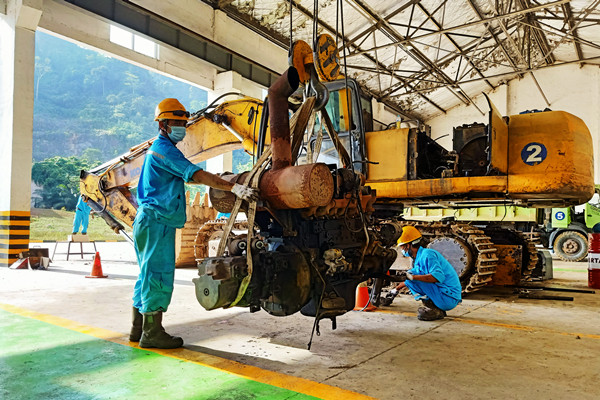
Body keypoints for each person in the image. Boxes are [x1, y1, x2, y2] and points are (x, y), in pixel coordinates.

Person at [129, 98, 259, 349]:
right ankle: (152, 332)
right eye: (176, 123)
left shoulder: (157, 149)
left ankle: (138, 328)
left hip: (149, 220)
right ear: (163, 125)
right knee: (158, 275)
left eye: (183, 123)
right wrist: (234, 187)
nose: (181, 127)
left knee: (146, 274)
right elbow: (195, 173)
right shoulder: (164, 149)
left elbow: (184, 178)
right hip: (157, 221)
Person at [390, 226, 462, 321]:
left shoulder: (427, 255)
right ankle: (437, 308)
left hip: (448, 298)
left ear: (408, 245)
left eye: (402, 247)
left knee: (412, 279)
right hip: (446, 296)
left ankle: (433, 309)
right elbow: (409, 278)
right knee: (411, 277)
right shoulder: (420, 257)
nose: (402, 250)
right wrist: (394, 291)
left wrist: (411, 277)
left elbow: (437, 277)